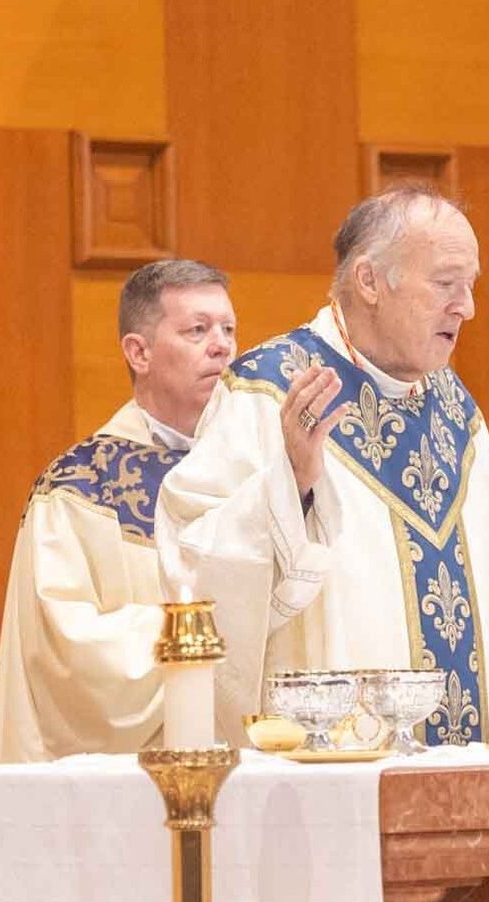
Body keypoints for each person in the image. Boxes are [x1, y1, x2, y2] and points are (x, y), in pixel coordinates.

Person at [158, 186, 485, 742]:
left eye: (471, 287)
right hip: (324, 772)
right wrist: (293, 488)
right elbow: (191, 574)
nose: (467, 308)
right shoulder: (270, 391)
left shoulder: (459, 414)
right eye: (446, 284)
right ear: (369, 281)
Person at [0, 260, 236, 761]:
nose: (222, 346)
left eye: (229, 329)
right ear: (138, 352)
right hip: (128, 784)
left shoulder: (253, 471)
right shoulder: (81, 487)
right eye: (197, 329)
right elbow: (67, 652)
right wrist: (211, 631)